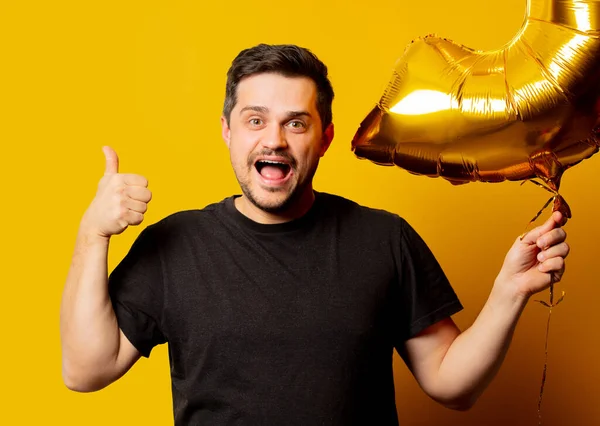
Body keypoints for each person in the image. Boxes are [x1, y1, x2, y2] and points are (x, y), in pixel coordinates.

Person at [60, 44, 570, 425]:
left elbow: (450, 383)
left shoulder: (384, 239)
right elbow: (86, 371)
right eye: (255, 119)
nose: (274, 140)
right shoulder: (176, 245)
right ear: (227, 131)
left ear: (325, 137)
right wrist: (93, 233)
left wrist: (508, 292)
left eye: (296, 123)